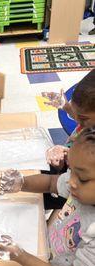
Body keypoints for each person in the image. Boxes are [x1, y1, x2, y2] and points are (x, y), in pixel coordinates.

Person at [0, 128, 95, 266]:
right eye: (71, 171)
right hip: (48, 250)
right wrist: (22, 183)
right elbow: (50, 183)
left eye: (83, 179)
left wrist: (21, 256)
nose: (71, 181)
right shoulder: (80, 185)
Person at [41, 69, 95, 209]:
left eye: (82, 118)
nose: (78, 121)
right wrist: (67, 107)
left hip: (78, 192)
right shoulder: (88, 124)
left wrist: (69, 158)